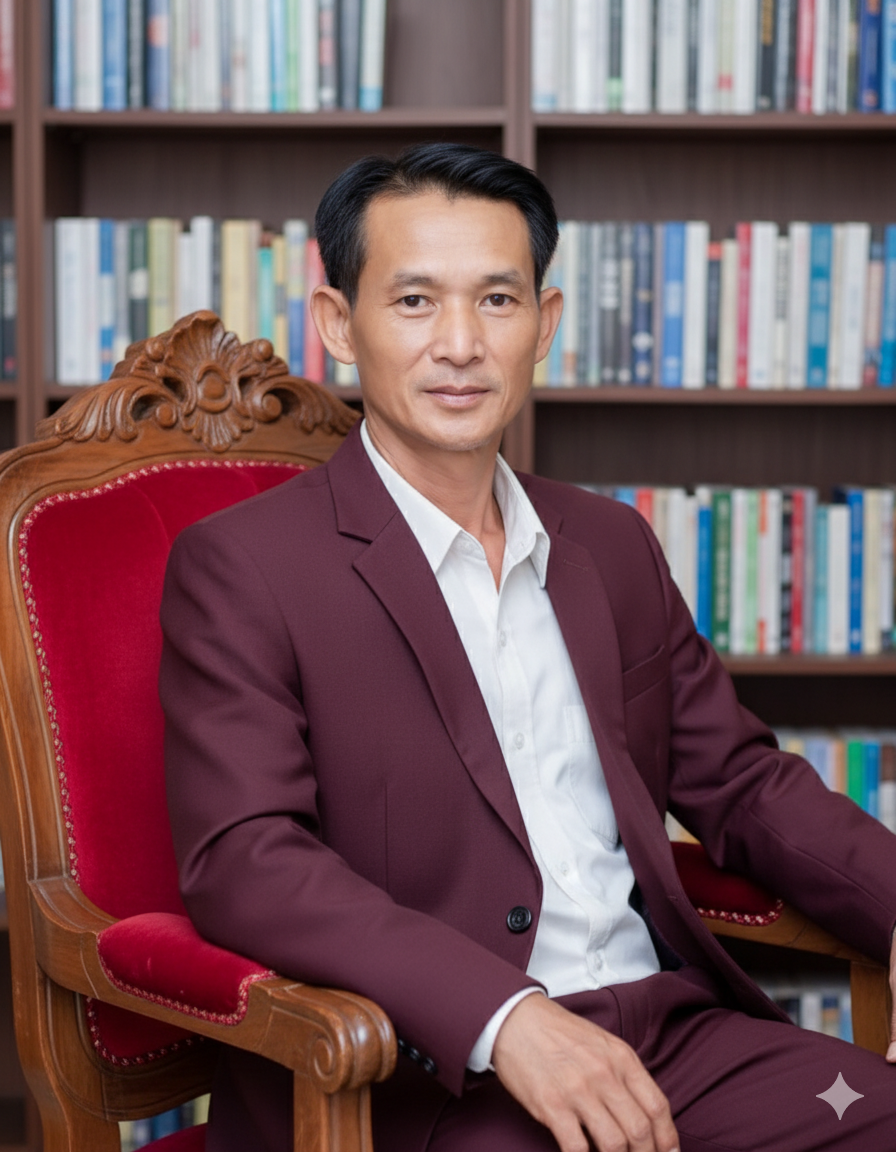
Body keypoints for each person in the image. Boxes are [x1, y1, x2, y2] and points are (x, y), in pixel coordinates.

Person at [160, 143, 896, 1152]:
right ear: (337, 323)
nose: (460, 344)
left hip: (670, 1037)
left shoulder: (609, 543)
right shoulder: (244, 565)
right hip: (425, 1079)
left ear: (543, 325)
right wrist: (501, 1016)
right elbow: (245, 860)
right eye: (414, 301)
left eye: (497, 301)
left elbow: (740, 782)